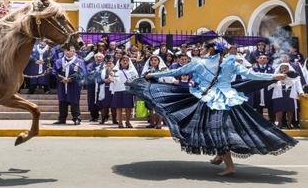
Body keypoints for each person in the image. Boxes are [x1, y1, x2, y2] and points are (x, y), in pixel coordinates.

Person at [127, 41, 297, 176]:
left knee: (215, 130)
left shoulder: (199, 63)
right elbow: (251, 75)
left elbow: (175, 72)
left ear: (210, 50)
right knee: (224, 128)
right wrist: (273, 76)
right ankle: (219, 156)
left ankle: (230, 166)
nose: (200, 49)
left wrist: (152, 75)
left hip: (209, 99)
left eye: (203, 48)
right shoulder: (230, 61)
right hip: (229, 98)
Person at [52, 47, 86, 125]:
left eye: (70, 51)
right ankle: (62, 119)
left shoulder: (79, 61)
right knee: (62, 102)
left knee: (74, 102)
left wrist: (70, 79)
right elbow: (54, 72)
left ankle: (76, 118)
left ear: (74, 52)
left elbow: (82, 73)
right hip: (62, 84)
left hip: (74, 85)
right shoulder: (59, 61)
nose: (68, 52)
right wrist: (62, 78)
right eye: (66, 50)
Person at [269, 63, 303, 129]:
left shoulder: (295, 75)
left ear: (289, 68)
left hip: (290, 93)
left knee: (290, 109)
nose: (284, 69)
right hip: (278, 94)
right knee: (279, 109)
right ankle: (279, 123)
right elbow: (270, 85)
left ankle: (289, 124)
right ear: (280, 68)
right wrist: (276, 80)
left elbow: (298, 85)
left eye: (285, 67)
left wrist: (301, 92)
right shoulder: (276, 75)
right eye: (282, 67)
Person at [110, 55, 138, 128]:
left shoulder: (132, 71)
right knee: (119, 107)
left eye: (126, 60)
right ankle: (120, 122)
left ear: (129, 62)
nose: (125, 62)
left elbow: (136, 79)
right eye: (123, 60)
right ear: (120, 62)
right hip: (118, 90)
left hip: (128, 90)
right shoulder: (115, 70)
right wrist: (111, 78)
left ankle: (128, 122)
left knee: (128, 107)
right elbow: (111, 77)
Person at [142, 55, 166, 128]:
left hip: (159, 90)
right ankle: (152, 123)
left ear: (158, 61)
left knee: (159, 107)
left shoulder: (163, 69)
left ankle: (159, 123)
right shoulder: (146, 70)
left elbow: (167, 78)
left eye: (155, 60)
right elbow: (143, 78)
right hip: (149, 90)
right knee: (150, 107)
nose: (154, 61)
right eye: (152, 60)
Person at [252, 54, 275, 121]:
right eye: (261, 58)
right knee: (258, 107)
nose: (262, 59)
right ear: (257, 60)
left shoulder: (272, 68)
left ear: (267, 60)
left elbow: (274, 78)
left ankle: (272, 122)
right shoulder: (253, 68)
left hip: (268, 89)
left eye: (264, 58)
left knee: (270, 106)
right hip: (258, 89)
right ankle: (259, 123)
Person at [98, 56, 118, 124]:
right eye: (108, 63)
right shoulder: (102, 70)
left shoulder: (116, 71)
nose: (109, 64)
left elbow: (119, 79)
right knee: (105, 105)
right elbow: (98, 80)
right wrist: (104, 80)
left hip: (114, 89)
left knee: (114, 106)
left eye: (111, 63)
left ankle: (114, 120)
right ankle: (103, 119)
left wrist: (113, 79)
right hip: (105, 89)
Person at [86, 53, 105, 122]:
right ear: (94, 58)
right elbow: (87, 73)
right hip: (92, 85)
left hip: (102, 85)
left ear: (103, 58)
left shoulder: (105, 65)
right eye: (97, 57)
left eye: (100, 57)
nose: (98, 58)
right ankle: (94, 116)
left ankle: (104, 116)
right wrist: (95, 72)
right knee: (91, 100)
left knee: (102, 100)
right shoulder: (90, 65)